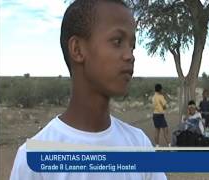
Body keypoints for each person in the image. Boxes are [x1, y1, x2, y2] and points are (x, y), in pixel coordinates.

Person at [10, 1, 167, 179]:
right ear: (77, 49)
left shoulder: (139, 146)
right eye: (117, 41)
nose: (130, 55)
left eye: (132, 46)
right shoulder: (33, 159)